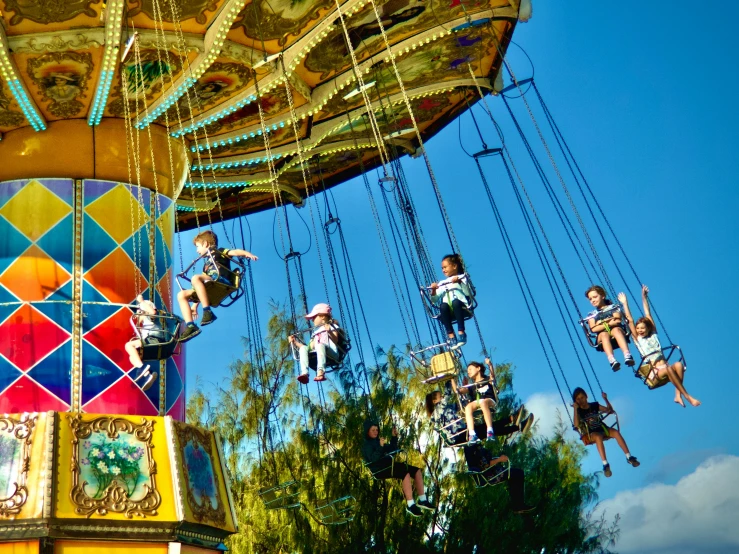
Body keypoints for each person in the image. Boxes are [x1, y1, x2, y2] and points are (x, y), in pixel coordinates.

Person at [618, 286, 700, 407]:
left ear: (648, 328)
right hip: (654, 373)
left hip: (665, 366)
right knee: (668, 369)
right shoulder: (638, 339)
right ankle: (687, 396)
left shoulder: (654, 335)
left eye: (642, 328)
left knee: (678, 364)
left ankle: (677, 395)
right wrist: (625, 303)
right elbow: (630, 320)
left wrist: (644, 297)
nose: (639, 330)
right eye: (638, 328)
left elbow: (648, 313)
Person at [177, 230, 257, 342]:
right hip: (210, 282)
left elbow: (234, 252)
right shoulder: (206, 265)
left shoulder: (219, 251)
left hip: (220, 280)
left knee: (196, 278)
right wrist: (195, 306)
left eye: (198, 246)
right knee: (181, 295)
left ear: (205, 244)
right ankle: (190, 326)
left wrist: (247, 254)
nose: (197, 250)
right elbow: (201, 286)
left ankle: (207, 311)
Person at [424, 380, 534, 446]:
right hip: (457, 435)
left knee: (488, 427)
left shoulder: (447, 408)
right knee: (488, 429)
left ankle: (514, 422)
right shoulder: (436, 413)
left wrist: (465, 390)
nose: (443, 397)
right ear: (434, 401)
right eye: (440, 396)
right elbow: (447, 395)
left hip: (462, 431)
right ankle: (516, 423)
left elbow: (462, 404)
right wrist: (449, 380)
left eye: (442, 395)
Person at [361, 420, 435, 517]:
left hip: (389, 464)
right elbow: (373, 459)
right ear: (367, 432)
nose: (376, 432)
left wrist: (394, 437)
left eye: (377, 430)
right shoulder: (366, 446)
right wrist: (380, 446)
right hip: (379, 469)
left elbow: (393, 449)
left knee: (416, 471)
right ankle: (410, 505)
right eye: (373, 430)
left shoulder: (378, 441)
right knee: (404, 473)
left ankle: (423, 500)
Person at [572, 387, 639, 477]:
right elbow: (576, 425)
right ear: (576, 401)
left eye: (582, 397)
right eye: (578, 399)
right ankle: (605, 464)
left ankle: (629, 457)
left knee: (615, 432)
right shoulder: (578, 411)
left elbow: (609, 410)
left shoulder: (594, 405)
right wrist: (575, 409)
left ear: (586, 396)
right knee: (598, 437)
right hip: (590, 433)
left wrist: (605, 399)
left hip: (601, 428)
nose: (581, 401)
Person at [462, 445, 535, 513]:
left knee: (513, 476)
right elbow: (486, 465)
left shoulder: (469, 450)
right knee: (518, 473)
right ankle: (518, 505)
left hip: (488, 473)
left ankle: (517, 505)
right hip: (491, 476)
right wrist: (500, 459)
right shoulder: (476, 450)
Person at [289, 303, 345, 383]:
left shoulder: (332, 326)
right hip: (318, 351)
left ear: (322, 316)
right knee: (303, 348)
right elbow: (309, 347)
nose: (312, 320)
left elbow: (335, 340)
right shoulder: (315, 332)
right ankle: (304, 373)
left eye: (314, 317)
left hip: (332, 353)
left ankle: (321, 371)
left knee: (320, 344)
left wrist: (329, 331)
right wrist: (295, 342)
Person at [584, 285, 634, 371]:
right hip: (601, 335)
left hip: (616, 329)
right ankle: (612, 360)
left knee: (616, 330)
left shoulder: (613, 307)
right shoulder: (591, 314)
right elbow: (593, 329)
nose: (593, 300)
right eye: (590, 299)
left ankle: (627, 355)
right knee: (604, 334)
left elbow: (617, 320)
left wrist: (600, 323)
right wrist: (610, 321)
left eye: (595, 297)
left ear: (602, 296)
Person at [428, 254, 474, 349]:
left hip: (461, 306)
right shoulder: (442, 283)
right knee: (442, 306)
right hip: (448, 309)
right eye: (442, 268)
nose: (443, 270)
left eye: (445, 267)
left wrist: (459, 282)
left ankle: (461, 333)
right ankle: (451, 336)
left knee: (455, 302)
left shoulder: (462, 277)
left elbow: (468, 293)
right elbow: (434, 300)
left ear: (454, 266)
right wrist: (433, 290)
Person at [125, 295, 164, 391]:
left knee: (128, 345)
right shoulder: (145, 324)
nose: (138, 314)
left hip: (154, 339)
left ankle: (142, 368)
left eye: (140, 311)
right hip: (149, 341)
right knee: (132, 356)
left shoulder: (151, 317)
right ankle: (147, 375)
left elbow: (153, 312)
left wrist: (142, 301)